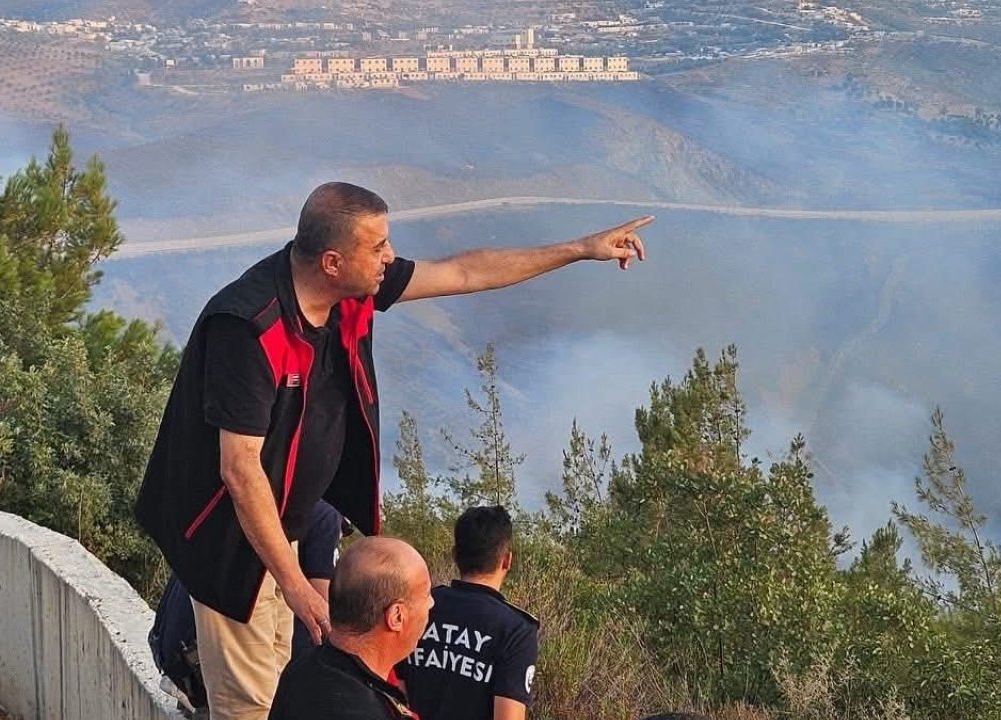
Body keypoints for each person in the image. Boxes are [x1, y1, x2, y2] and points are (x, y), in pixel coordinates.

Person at [134, 181, 653, 719]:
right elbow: (240, 469)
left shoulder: (348, 293)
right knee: (249, 709)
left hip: (283, 528)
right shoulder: (249, 327)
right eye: (378, 246)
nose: (390, 256)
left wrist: (579, 249)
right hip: (229, 542)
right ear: (333, 262)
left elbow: (465, 272)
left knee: (285, 693)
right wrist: (296, 586)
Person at [148, 501, 346, 715]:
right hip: (211, 669)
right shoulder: (325, 517)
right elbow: (324, 611)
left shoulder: (275, 506)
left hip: (177, 657)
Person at [396, 506, 538, 720]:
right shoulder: (515, 630)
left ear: (455, 555)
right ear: (507, 560)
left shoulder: (420, 605)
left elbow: (393, 691)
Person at [269, 537, 434, 720]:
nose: (431, 603)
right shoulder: (367, 711)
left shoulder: (301, 668)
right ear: (396, 617)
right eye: (426, 594)